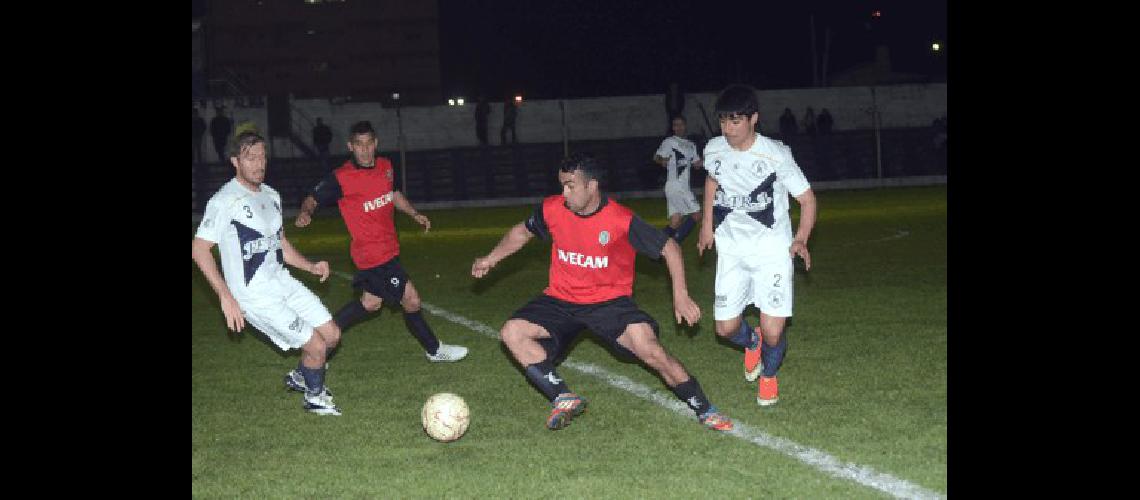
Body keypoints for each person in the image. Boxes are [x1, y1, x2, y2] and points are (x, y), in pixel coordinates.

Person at [471, 153, 733, 432]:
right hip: (560, 299)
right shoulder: (552, 209)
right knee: (512, 332)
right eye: (562, 185)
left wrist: (680, 295)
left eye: (571, 186)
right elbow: (521, 233)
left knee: (651, 350)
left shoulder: (620, 220)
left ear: (592, 186)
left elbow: (669, 247)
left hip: (609, 303)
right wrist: (491, 258)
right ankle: (563, 397)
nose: (564, 193)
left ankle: (705, 409)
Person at [192, 131, 344, 416]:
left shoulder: (271, 195)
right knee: (316, 346)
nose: (259, 164)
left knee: (332, 335)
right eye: (251, 158)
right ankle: (315, 397)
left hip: (281, 281)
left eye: (262, 157)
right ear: (235, 161)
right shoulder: (224, 201)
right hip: (253, 295)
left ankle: (302, 376)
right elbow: (199, 249)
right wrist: (226, 297)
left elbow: (280, 244)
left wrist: (310, 266)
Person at [294, 121, 469, 364]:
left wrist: (413, 213)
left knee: (370, 303)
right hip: (372, 256)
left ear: (375, 143)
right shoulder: (342, 177)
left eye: (369, 144)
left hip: (389, 250)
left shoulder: (386, 166)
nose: (365, 150)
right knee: (411, 299)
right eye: (359, 145)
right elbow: (312, 198)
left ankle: (319, 344)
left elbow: (394, 193)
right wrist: (306, 213)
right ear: (350, 147)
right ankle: (435, 349)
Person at [697, 85, 817, 407]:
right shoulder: (713, 149)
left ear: (754, 119)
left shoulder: (775, 154)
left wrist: (801, 239)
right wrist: (707, 226)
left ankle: (768, 376)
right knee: (725, 328)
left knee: (775, 332)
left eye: (735, 121)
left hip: (771, 252)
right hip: (732, 250)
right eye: (723, 121)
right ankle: (752, 342)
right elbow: (712, 180)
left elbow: (806, 199)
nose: (728, 129)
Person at [653, 115, 703, 243]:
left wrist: (711, 159)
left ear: (685, 126)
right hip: (676, 185)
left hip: (681, 187)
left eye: (681, 124)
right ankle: (674, 244)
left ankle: (656, 244)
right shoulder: (669, 142)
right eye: (676, 125)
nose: (679, 127)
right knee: (696, 215)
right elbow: (656, 157)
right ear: (673, 128)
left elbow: (697, 163)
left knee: (675, 221)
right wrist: (661, 160)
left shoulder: (691, 145)